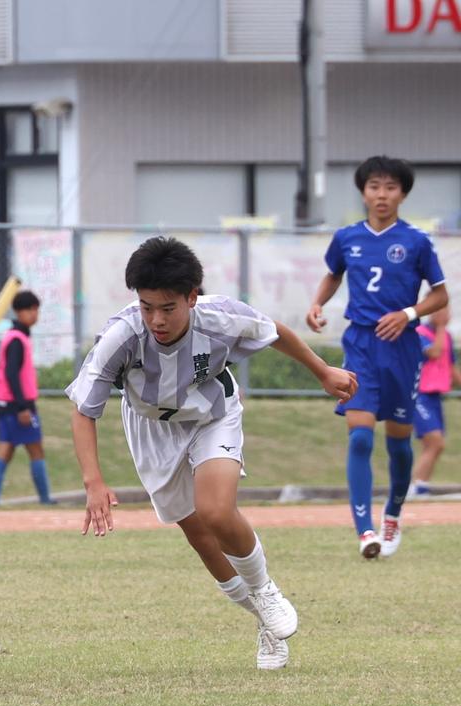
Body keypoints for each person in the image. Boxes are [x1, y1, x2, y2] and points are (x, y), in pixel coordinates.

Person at [68, 236, 357, 670]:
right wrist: (94, 481)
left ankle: (266, 591)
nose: (156, 319)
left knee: (217, 512)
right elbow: (82, 409)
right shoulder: (121, 336)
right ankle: (263, 620)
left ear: (192, 297)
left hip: (212, 415)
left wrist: (322, 372)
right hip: (152, 429)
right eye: (147, 307)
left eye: (168, 308)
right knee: (201, 537)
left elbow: (276, 332)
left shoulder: (221, 317)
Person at [307, 155, 450, 559]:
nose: (381, 195)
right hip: (360, 345)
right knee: (360, 437)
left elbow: (440, 294)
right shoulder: (347, 237)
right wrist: (317, 303)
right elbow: (334, 274)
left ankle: (392, 514)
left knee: (400, 444)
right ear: (363, 192)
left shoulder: (417, 241)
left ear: (402, 193)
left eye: (390, 187)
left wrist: (408, 313)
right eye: (374, 187)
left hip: (402, 346)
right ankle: (365, 531)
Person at [0, 289, 55, 506]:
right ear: (18, 312)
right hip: (16, 404)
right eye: (30, 310)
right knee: (31, 449)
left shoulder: (17, 335)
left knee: (8, 450)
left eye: (36, 309)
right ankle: (44, 500)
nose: (34, 314)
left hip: (6, 402)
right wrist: (23, 407)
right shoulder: (17, 338)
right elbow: (11, 374)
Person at [410, 307, 460, 496]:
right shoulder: (420, 333)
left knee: (435, 445)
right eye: (442, 310)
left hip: (435, 397)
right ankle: (414, 487)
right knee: (435, 441)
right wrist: (439, 327)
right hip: (419, 395)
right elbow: (435, 353)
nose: (446, 315)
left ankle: (421, 486)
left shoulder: (446, 335)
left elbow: (451, 367)